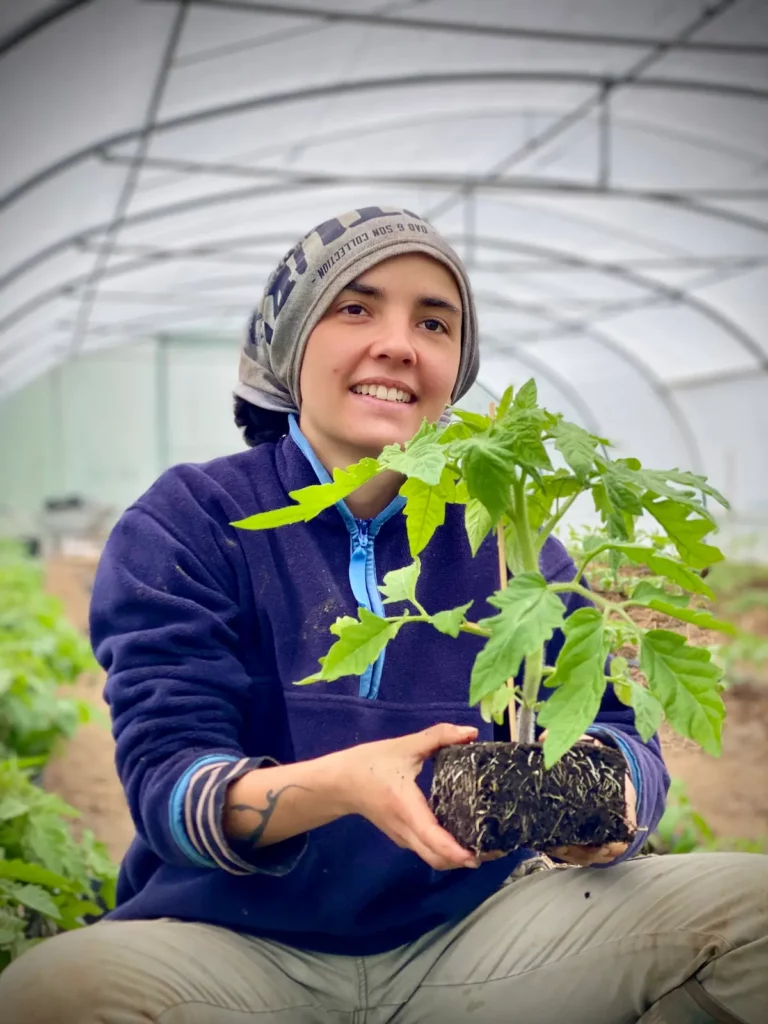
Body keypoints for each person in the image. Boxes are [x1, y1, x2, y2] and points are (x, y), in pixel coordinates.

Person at [1, 206, 765, 1024]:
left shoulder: (512, 540)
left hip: (475, 938)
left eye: (435, 322)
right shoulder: (192, 520)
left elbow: (621, 733)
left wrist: (608, 809)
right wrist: (344, 786)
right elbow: (169, 783)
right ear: (291, 348)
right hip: (227, 950)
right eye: (356, 307)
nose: (399, 343)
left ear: (455, 368)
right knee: (50, 996)